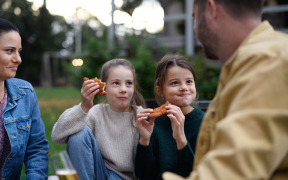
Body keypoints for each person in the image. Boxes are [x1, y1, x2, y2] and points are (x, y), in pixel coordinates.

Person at [163, 0, 288, 179]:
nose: (194, 30)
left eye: (194, 18)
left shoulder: (268, 62)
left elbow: (231, 172)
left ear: (211, 10)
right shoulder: (262, 58)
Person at [0, 18, 49, 179]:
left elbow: (37, 149)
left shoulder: (25, 93)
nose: (18, 59)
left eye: (19, 51)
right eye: (9, 51)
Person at [51, 59, 146, 180]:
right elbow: (56, 136)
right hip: (99, 173)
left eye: (129, 83)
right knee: (78, 134)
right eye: (116, 83)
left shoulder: (142, 116)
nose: (123, 89)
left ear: (134, 87)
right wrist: (84, 106)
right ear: (103, 86)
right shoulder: (96, 112)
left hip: (127, 178)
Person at [134, 54, 205, 180]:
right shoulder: (152, 123)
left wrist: (180, 139)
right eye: (174, 83)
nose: (184, 87)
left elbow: (198, 175)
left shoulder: (206, 122)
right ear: (160, 90)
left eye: (189, 81)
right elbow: (144, 175)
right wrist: (144, 140)